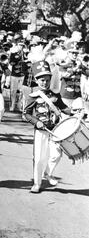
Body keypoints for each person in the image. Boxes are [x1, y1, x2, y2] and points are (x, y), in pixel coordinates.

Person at [22, 60, 74, 193]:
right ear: (36, 80)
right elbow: (26, 114)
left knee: (56, 155)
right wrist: (35, 122)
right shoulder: (33, 96)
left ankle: (48, 172)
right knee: (39, 158)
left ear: (50, 79)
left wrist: (75, 112)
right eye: (41, 80)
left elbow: (64, 108)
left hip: (54, 130)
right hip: (41, 130)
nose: (44, 83)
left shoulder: (55, 95)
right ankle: (37, 183)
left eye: (46, 80)